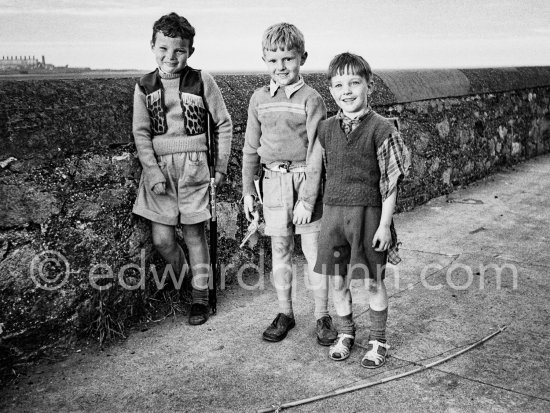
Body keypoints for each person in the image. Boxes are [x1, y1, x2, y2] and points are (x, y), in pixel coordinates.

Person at [302, 52, 409, 366]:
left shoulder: (382, 129)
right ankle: (346, 332)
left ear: (369, 85)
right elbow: (317, 171)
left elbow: (391, 182)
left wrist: (385, 225)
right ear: (331, 90)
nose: (346, 90)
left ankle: (378, 339)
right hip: (334, 216)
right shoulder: (324, 129)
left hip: (370, 215)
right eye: (338, 84)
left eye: (354, 82)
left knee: (374, 280)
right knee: (339, 281)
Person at [132, 12, 232, 325]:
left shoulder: (202, 81)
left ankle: (200, 297)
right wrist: (152, 172)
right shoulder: (144, 86)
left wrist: (221, 167)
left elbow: (224, 123)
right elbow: (141, 133)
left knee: (194, 235)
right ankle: (188, 280)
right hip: (160, 171)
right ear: (152, 46)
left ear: (189, 51)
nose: (170, 57)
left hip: (195, 169)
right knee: (163, 239)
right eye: (163, 49)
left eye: (179, 50)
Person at [242, 23, 337, 345]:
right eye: (273, 60)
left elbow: (317, 152)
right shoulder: (258, 99)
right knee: (280, 251)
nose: (281, 67)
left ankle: (323, 315)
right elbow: (251, 148)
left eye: (288, 59)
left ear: (302, 58)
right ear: (264, 60)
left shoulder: (313, 99)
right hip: (272, 185)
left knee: (313, 254)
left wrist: (308, 200)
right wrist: (247, 190)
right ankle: (286, 312)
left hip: (305, 182)